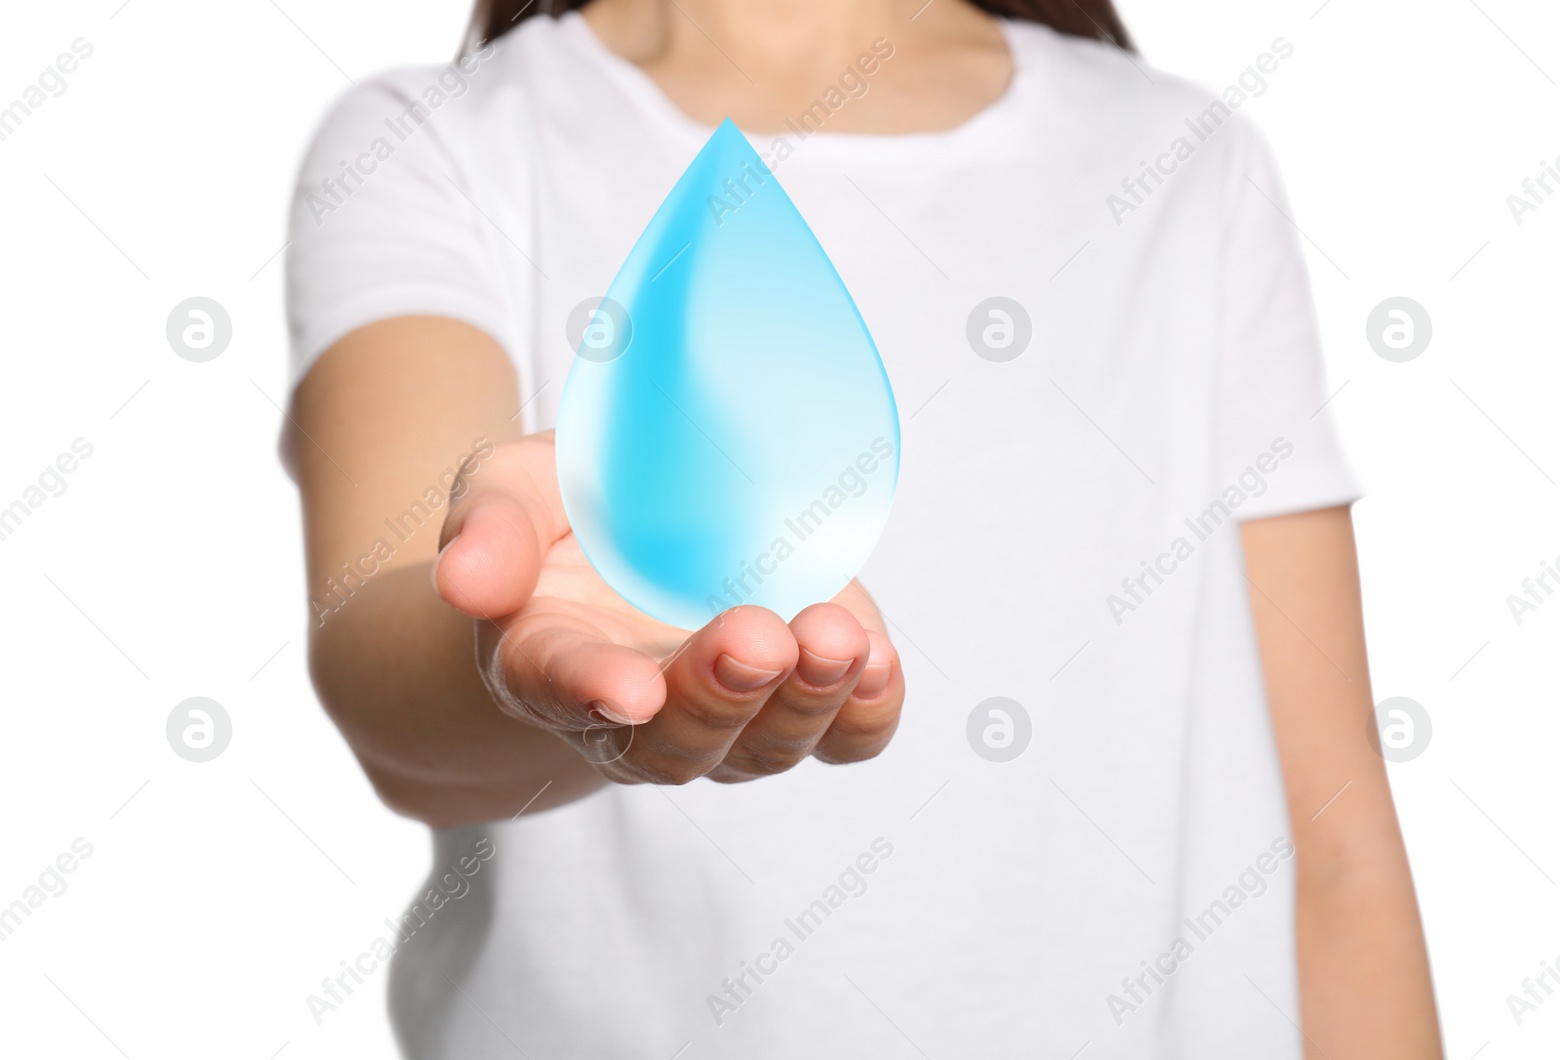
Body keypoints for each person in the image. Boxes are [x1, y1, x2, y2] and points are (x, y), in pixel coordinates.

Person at [284, 0, 1444, 1055]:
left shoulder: (1182, 163)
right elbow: (387, 655)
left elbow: (1330, 846)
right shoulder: (440, 143)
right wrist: (508, 650)